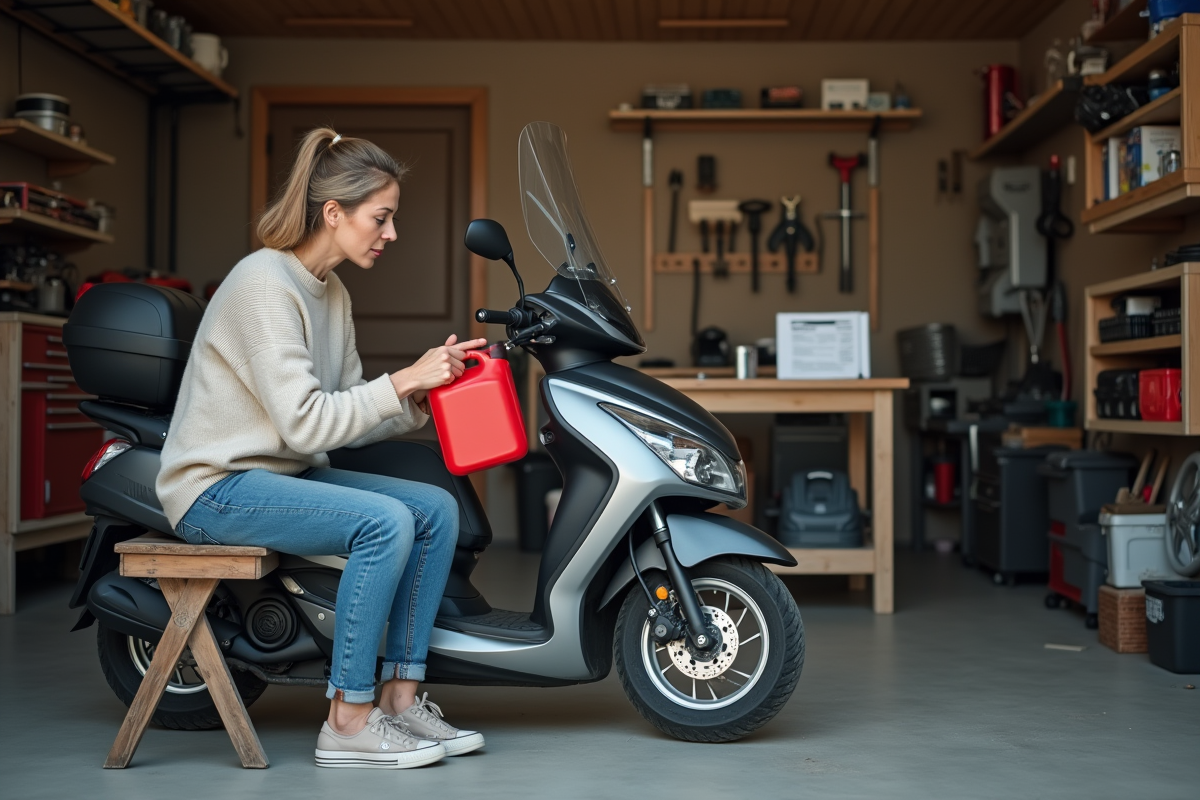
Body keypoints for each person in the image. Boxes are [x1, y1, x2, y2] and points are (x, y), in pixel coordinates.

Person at [156, 127, 488, 769]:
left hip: (281, 477)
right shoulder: (262, 283)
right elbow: (307, 425)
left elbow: (344, 418)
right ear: (333, 213)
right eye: (381, 218)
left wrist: (416, 395)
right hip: (215, 487)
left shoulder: (331, 292)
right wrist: (401, 380)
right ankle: (348, 719)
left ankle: (398, 700)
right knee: (384, 520)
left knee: (435, 508)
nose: (390, 234)